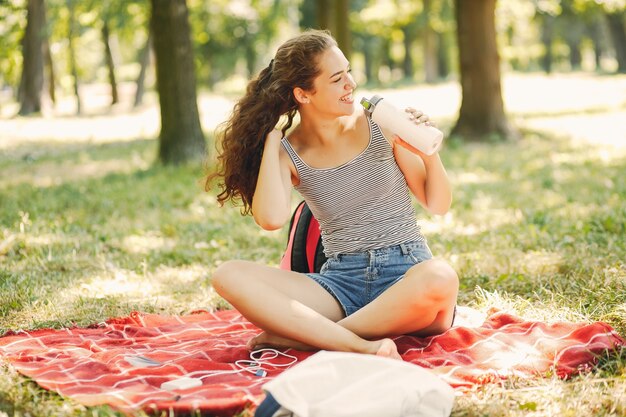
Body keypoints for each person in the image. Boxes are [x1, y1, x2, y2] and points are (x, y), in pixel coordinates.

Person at [206, 29, 458, 360]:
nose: (351, 84)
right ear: (303, 94)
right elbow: (270, 219)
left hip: (408, 275)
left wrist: (428, 151)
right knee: (228, 275)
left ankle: (312, 338)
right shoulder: (288, 152)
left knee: (440, 276)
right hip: (341, 283)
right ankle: (359, 343)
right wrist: (271, 139)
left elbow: (437, 204)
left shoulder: (379, 121)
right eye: (337, 78)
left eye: (348, 72)